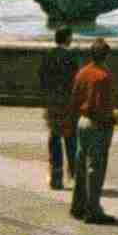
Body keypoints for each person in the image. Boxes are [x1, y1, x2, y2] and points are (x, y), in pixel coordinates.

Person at [70, 38, 116, 223]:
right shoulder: (104, 76)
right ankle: (93, 211)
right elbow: (103, 105)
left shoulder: (82, 73)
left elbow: (74, 98)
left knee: (80, 165)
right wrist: (109, 122)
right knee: (95, 167)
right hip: (98, 124)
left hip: (82, 122)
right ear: (106, 56)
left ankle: (77, 206)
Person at [40, 25, 80, 190]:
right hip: (68, 102)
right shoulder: (71, 57)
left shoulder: (48, 55)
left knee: (54, 137)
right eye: (71, 37)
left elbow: (41, 76)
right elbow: (76, 80)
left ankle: (56, 177)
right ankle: (75, 174)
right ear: (67, 38)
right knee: (71, 138)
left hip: (53, 102)